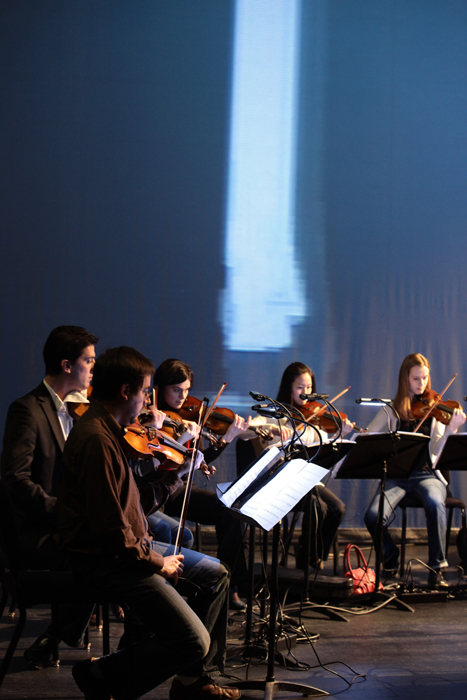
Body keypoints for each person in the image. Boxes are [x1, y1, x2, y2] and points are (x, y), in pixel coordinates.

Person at [58, 346, 240, 700]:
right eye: (145, 392)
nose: (148, 403)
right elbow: (112, 533)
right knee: (193, 640)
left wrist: (175, 477)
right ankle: (100, 674)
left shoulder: (111, 431)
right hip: (105, 560)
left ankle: (191, 682)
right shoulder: (97, 439)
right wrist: (158, 562)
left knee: (217, 575)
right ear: (125, 391)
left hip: (129, 549)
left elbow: (133, 506)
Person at [0, 324, 99, 667]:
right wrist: (63, 513)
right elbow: (15, 480)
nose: (94, 368)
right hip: (36, 531)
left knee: (108, 545)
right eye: (89, 360)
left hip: (64, 526)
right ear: (67, 365)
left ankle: (57, 636)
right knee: (101, 554)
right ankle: (59, 636)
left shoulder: (78, 410)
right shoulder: (27, 408)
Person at [154, 359, 250, 609]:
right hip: (159, 491)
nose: (183, 397)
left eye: (186, 390)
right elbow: (160, 463)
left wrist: (227, 438)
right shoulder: (154, 419)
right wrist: (183, 439)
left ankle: (230, 586)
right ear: (160, 388)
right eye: (176, 390)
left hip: (179, 488)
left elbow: (200, 458)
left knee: (229, 510)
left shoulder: (186, 417)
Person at [363, 353, 466, 589]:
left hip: (427, 474)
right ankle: (390, 557)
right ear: (405, 379)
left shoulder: (435, 410)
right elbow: (367, 436)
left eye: (425, 378)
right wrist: (360, 434)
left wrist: (451, 429)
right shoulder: (392, 410)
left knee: (435, 503)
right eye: (416, 379)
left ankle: (436, 569)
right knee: (373, 516)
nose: (421, 384)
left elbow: (437, 452)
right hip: (398, 476)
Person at [241, 361, 352, 571]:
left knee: (338, 508)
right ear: (289, 388)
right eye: (300, 387)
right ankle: (304, 564)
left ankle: (311, 554)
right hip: (279, 482)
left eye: (309, 387)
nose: (305, 393)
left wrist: (341, 434)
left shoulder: (314, 419)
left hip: (306, 480)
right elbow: (246, 430)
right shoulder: (276, 413)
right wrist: (271, 430)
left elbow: (326, 450)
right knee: (317, 506)